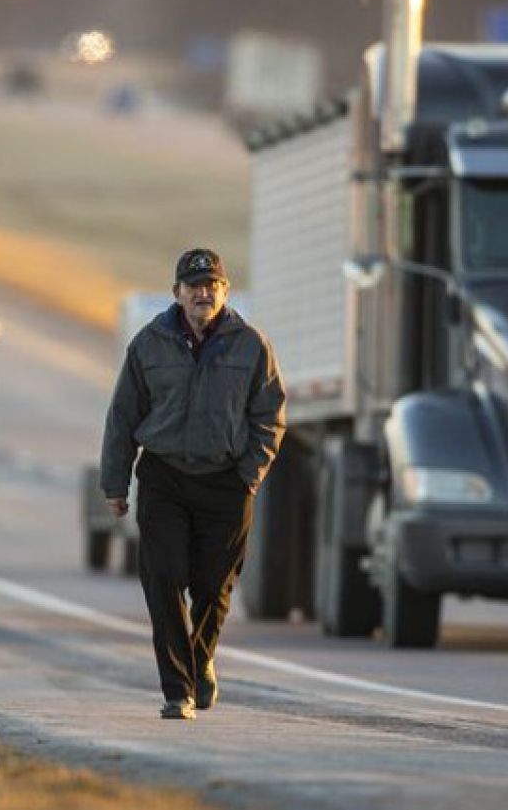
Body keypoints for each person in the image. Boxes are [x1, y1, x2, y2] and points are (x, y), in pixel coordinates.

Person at [100, 247, 286, 720]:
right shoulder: (148, 344)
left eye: (212, 285)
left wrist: (250, 474)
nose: (203, 293)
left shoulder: (250, 344)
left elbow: (270, 416)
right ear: (177, 293)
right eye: (193, 286)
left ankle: (200, 661)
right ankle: (177, 690)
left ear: (224, 290)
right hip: (164, 476)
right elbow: (123, 416)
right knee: (162, 577)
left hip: (226, 481)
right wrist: (115, 483)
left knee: (213, 586)